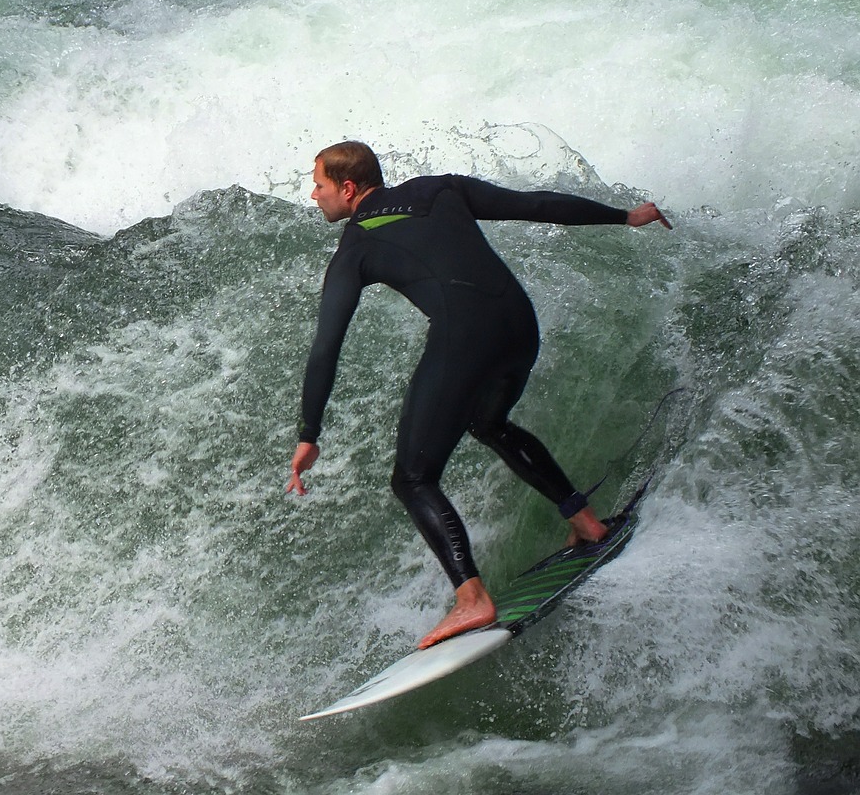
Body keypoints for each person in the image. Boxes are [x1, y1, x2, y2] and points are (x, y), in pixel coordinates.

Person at [287, 140, 672, 650]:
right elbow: (535, 205)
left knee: (413, 478)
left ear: (348, 188)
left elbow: (325, 349)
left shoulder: (354, 249)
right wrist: (624, 216)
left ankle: (472, 600)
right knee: (488, 422)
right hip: (518, 325)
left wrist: (309, 434)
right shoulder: (438, 189)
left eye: (319, 184)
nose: (314, 195)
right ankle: (587, 523)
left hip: (464, 338)